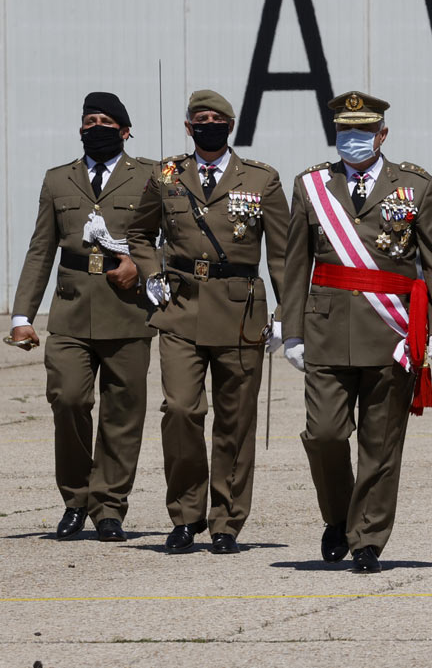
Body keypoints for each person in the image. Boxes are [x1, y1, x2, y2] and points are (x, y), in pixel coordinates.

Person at [282, 90, 432, 573]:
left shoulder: (415, 186)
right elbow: (295, 263)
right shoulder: (311, 185)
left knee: (381, 446)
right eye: (345, 131)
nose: (353, 140)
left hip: (391, 333)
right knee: (323, 435)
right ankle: (338, 517)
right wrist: (289, 329)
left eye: (362, 132)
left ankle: (367, 540)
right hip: (324, 330)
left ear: (382, 134)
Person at [127, 90, 288, 555]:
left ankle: (226, 521)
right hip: (180, 306)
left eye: (217, 119)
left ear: (231, 127)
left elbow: (281, 253)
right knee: (180, 409)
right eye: (201, 118)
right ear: (188, 126)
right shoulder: (166, 174)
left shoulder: (261, 179)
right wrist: (150, 272)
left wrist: (285, 314)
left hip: (240, 311)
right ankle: (184, 514)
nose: (208, 124)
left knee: (235, 421)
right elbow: (139, 232)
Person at [9, 92, 155, 542]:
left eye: (106, 121)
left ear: (125, 131)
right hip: (71, 310)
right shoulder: (58, 180)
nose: (96, 127)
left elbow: (176, 238)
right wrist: (21, 315)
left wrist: (145, 267)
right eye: (89, 120)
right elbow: (40, 251)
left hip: (128, 310)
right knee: (68, 399)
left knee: (122, 413)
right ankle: (75, 498)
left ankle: (109, 506)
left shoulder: (150, 176)